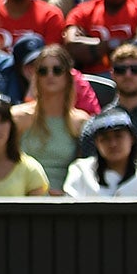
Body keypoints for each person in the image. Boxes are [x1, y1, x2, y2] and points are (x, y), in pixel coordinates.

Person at [14, 42, 89, 192]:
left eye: (57, 70)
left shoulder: (80, 121)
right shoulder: (17, 117)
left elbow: (85, 172)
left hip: (66, 201)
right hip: (24, 199)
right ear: (36, 77)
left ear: (68, 76)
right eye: (43, 71)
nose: (50, 75)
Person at [64, 108, 137, 197]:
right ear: (96, 143)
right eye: (105, 138)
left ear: (132, 138)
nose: (113, 144)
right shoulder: (80, 170)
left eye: (119, 136)